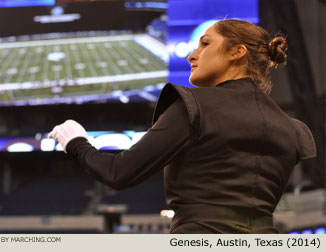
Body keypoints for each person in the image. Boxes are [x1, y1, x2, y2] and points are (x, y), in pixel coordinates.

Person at [48, 19, 316, 233]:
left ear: (237, 52)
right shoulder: (292, 128)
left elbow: (118, 173)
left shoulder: (193, 105)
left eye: (205, 44)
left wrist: (76, 143)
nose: (191, 55)